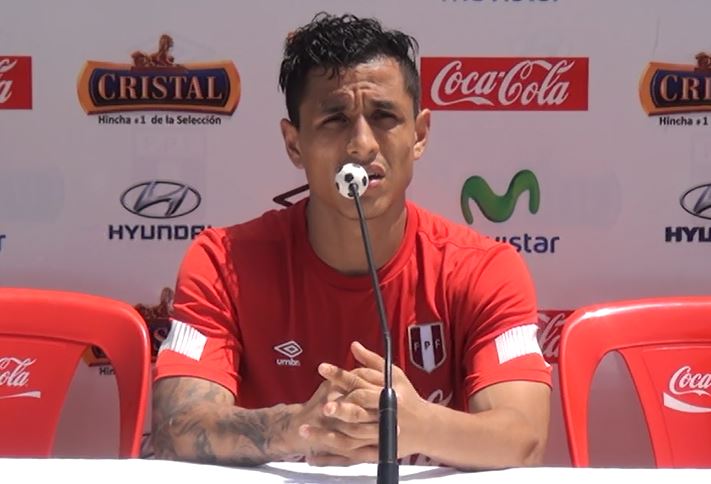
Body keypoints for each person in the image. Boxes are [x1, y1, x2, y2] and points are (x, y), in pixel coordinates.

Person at [151, 12, 551, 469]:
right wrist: (303, 425)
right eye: (335, 119)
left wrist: (418, 425)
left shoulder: (486, 269)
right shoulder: (221, 263)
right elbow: (175, 429)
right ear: (294, 143)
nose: (362, 145)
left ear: (419, 134)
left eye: (384, 117)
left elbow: (526, 441)